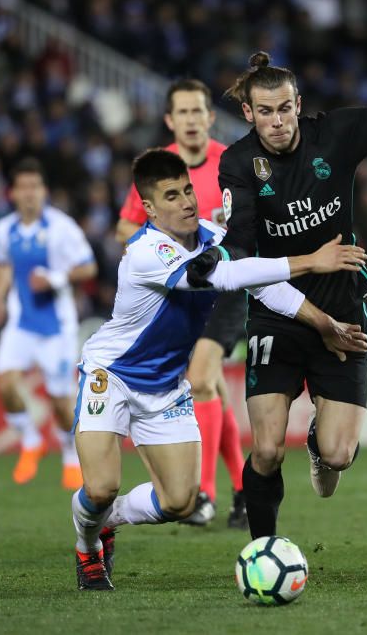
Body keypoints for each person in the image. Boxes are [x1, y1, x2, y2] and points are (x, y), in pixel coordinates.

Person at [188, 0, 367, 539]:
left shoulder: (335, 135)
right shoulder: (239, 164)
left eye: (284, 108)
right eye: (263, 112)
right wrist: (218, 256)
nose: (276, 121)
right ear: (248, 113)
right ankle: (261, 551)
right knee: (265, 447)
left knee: (337, 456)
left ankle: (319, 442)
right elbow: (243, 243)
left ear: (298, 103)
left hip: (344, 309)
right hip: (279, 312)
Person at [72, 148, 367, 590]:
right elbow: (219, 278)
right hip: (111, 375)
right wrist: (311, 261)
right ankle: (87, 545)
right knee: (99, 488)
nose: (187, 202)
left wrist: (325, 324)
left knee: (178, 502)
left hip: (166, 387)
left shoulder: (211, 236)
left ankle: (106, 523)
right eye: (171, 196)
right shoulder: (146, 252)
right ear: (149, 208)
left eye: (188, 190)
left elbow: (265, 287)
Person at [116, 79, 248, 528]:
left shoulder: (229, 163)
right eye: (183, 114)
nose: (192, 120)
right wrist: (159, 254)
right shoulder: (161, 171)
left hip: (226, 289)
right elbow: (125, 229)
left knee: (200, 378)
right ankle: (244, 491)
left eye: (199, 112)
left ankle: (204, 494)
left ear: (210, 117)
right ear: (171, 121)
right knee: (212, 388)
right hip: (180, 297)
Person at [0, 158, 97, 490]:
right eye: (23, 187)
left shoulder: (62, 228)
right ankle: (31, 440)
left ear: (44, 191)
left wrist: (55, 278)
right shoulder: (3, 230)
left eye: (34, 187)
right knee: (5, 383)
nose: (29, 194)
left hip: (57, 329)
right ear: (12, 193)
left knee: (60, 402)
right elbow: (3, 265)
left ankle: (68, 453)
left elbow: (89, 267)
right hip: (21, 324)